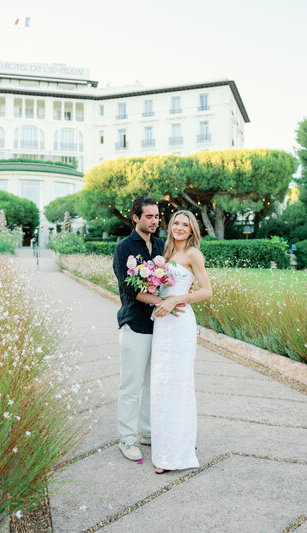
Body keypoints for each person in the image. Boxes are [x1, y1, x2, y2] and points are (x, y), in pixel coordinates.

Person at [113, 196, 186, 461]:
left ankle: (146, 432)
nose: (155, 221)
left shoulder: (160, 245)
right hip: (135, 324)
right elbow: (130, 290)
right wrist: (163, 301)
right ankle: (127, 438)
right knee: (131, 385)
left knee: (152, 383)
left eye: (157, 217)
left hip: (161, 326)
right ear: (135, 217)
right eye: (149, 217)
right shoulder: (124, 248)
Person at [151, 210, 213, 474]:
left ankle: (177, 455)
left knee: (178, 385)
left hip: (181, 323)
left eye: (185, 225)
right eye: (176, 223)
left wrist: (177, 299)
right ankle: (162, 451)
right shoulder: (164, 254)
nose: (179, 227)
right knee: (161, 385)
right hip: (162, 325)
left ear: (191, 230)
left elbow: (207, 291)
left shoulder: (192, 254)